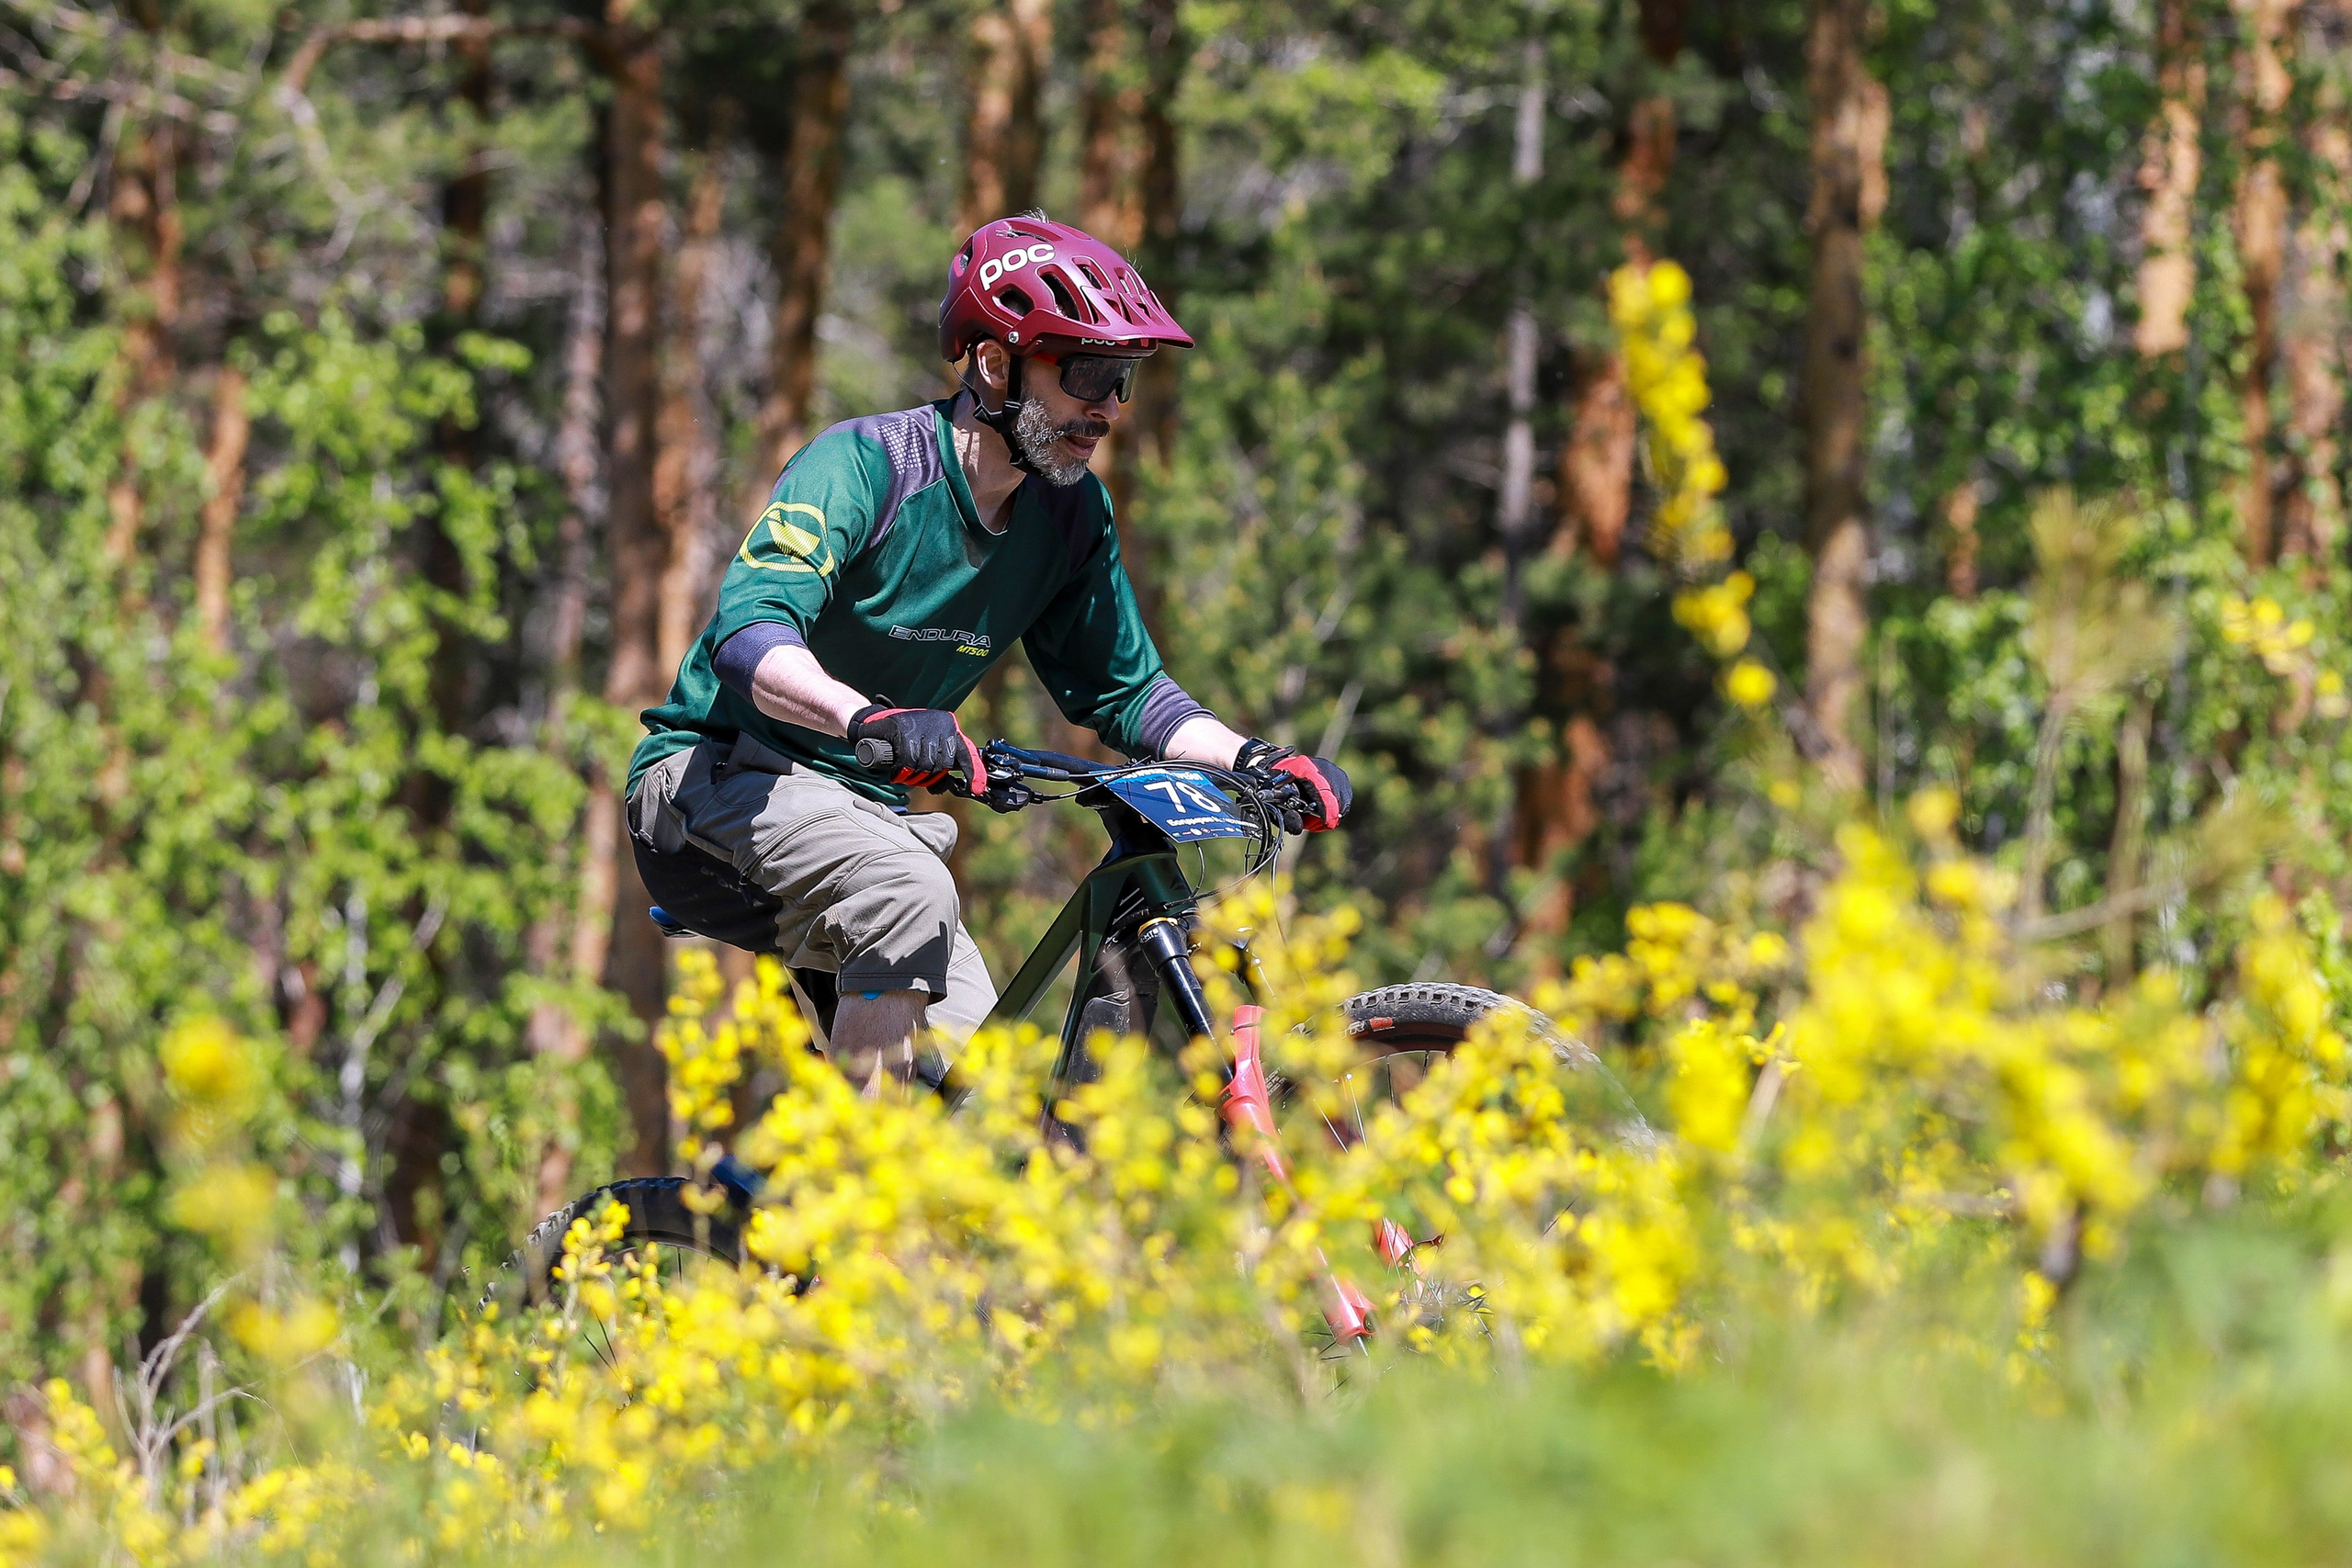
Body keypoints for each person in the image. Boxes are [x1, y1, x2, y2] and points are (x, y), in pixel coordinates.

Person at [626, 212, 1351, 1085]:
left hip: (866, 825)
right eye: (1087, 372)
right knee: (910, 888)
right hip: (710, 784)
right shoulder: (866, 465)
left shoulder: (1071, 513)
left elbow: (1129, 695)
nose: (1109, 408)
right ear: (996, 363)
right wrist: (868, 718)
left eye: (1123, 381)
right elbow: (752, 637)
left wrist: (1258, 759)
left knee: (990, 1116)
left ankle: (832, 1208)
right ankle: (877, 1205)